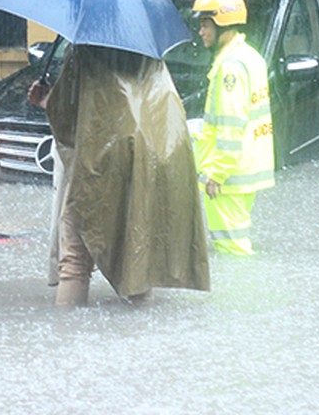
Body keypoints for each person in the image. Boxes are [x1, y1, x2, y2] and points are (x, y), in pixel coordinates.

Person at [28, 44, 210, 306]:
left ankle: (64, 339)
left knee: (75, 261)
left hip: (100, 161)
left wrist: (46, 101)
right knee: (138, 255)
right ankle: (139, 339)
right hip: (151, 161)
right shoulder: (151, 53)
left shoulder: (83, 50)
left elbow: (67, 121)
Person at [190, 0, 275, 256]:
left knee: (231, 248)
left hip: (228, 176)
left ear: (223, 25)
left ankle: (240, 296)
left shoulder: (230, 68)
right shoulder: (250, 56)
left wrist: (217, 173)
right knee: (235, 242)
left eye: (206, 25)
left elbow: (230, 125)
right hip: (245, 167)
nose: (201, 32)